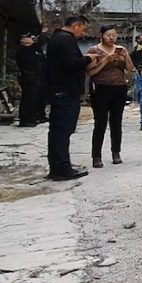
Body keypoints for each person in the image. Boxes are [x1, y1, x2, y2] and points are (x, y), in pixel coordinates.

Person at [44, 15, 103, 181]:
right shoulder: (64, 40)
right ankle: (61, 168)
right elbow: (71, 64)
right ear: (76, 25)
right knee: (62, 130)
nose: (83, 33)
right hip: (64, 91)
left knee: (58, 131)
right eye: (83, 29)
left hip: (61, 90)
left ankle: (59, 166)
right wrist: (88, 58)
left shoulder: (58, 39)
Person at [86, 25, 134, 168]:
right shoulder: (94, 51)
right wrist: (106, 60)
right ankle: (96, 156)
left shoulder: (121, 50)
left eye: (114, 35)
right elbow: (91, 72)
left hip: (119, 88)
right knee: (100, 123)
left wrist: (125, 56)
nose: (111, 38)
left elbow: (130, 69)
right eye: (108, 35)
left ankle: (116, 152)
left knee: (116, 122)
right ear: (101, 35)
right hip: (101, 88)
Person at [16, 33, 46, 127]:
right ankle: (25, 119)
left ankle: (33, 117)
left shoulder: (33, 50)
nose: (30, 38)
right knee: (28, 99)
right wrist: (43, 33)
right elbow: (40, 42)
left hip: (35, 76)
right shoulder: (23, 50)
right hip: (28, 76)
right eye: (27, 37)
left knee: (34, 99)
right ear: (22, 41)